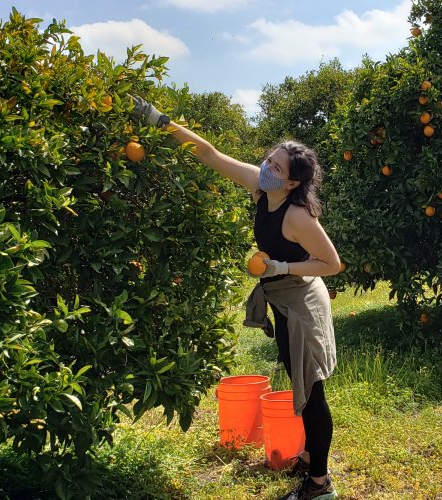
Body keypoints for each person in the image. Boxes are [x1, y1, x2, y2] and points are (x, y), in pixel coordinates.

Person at [130, 95, 340, 500]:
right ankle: (311, 454)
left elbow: (331, 264)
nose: (266, 168)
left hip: (303, 302)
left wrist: (282, 268)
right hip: (280, 298)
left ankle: (320, 483)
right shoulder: (262, 189)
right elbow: (209, 154)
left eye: (276, 167)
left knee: (311, 387)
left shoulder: (298, 216)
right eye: (268, 160)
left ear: (293, 182)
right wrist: (159, 121)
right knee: (295, 374)